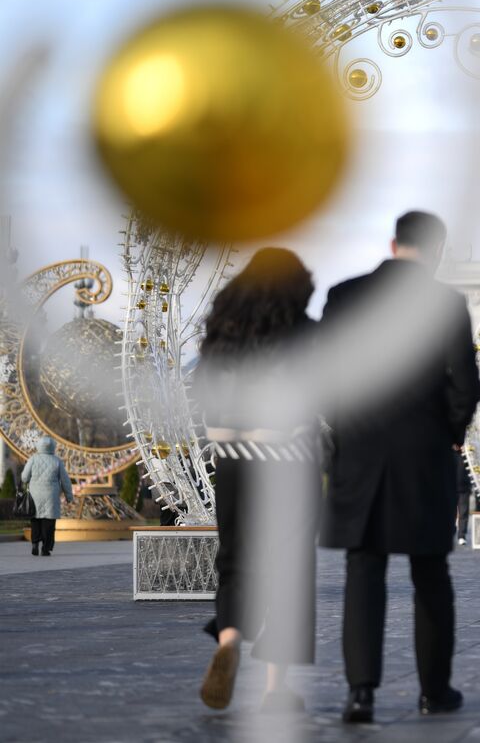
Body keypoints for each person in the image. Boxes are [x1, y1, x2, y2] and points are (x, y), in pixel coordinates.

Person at [320, 211, 480, 724]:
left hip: (360, 454)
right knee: (430, 572)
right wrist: (449, 435)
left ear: (393, 244)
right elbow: (466, 384)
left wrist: (346, 431)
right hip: (425, 456)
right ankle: (435, 691)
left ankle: (360, 694)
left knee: (363, 571)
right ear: (436, 251)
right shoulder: (446, 303)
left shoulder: (345, 296)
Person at [192, 248, 321, 712]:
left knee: (235, 561)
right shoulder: (303, 332)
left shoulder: (221, 332)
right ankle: (274, 689)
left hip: (230, 453)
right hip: (285, 454)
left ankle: (228, 641)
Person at [21, 435, 72, 557]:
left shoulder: (33, 459)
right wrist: (69, 496)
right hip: (51, 495)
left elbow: (24, 477)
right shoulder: (57, 461)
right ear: (53, 447)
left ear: (38, 446)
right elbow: (65, 480)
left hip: (35, 495)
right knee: (49, 523)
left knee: (35, 520)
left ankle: (34, 544)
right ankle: (45, 548)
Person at [455, 457, 473, 546]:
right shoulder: (447, 453)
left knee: (464, 512)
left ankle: (462, 535)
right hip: (450, 488)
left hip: (464, 489)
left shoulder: (466, 454)